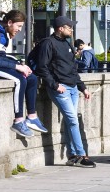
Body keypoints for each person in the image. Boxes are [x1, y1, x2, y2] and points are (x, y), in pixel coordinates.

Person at [31, 15, 94, 167]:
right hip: (60, 89)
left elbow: (73, 69)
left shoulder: (67, 44)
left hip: (72, 87)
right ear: (60, 28)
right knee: (72, 119)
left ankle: (72, 155)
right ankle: (81, 155)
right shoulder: (48, 43)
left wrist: (83, 87)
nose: (72, 29)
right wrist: (54, 85)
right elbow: (42, 67)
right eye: (69, 27)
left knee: (69, 120)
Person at [0, 11, 47, 139]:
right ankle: (18, 121)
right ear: (9, 23)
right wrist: (17, 66)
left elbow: (1, 56)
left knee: (31, 77)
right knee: (20, 80)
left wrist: (21, 66)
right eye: (18, 26)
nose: (19, 30)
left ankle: (31, 116)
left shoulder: (1, 32)